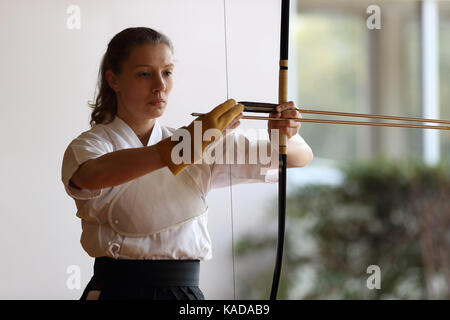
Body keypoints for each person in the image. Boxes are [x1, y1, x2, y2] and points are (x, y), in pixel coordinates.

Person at [61, 27, 313, 300]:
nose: (159, 85)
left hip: (185, 294)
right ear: (114, 80)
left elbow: (295, 158)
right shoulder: (92, 145)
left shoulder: (195, 142)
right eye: (144, 74)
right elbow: (91, 176)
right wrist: (177, 150)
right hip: (117, 291)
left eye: (167, 72)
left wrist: (286, 134)